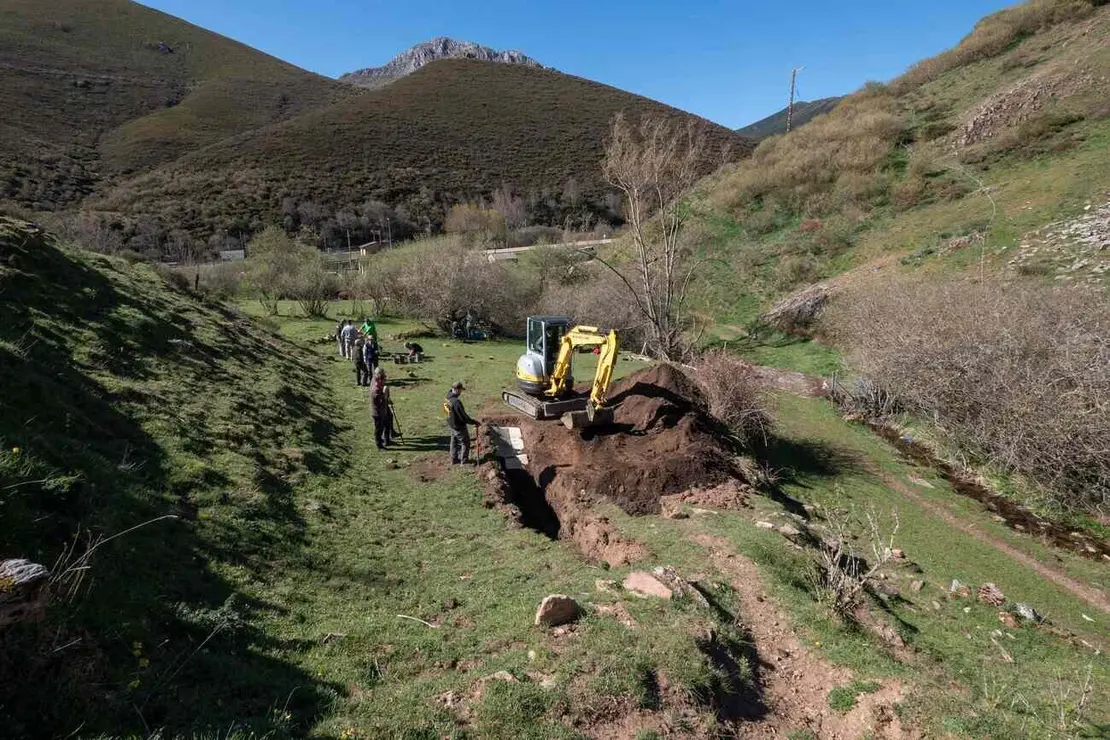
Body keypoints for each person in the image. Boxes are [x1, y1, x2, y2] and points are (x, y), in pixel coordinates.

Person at [444, 381, 479, 464]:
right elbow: (464, 417)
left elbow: (445, 412)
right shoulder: (456, 402)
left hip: (451, 425)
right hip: (459, 426)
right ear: (456, 389)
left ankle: (453, 459)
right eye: (460, 390)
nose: (460, 392)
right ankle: (464, 461)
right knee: (465, 443)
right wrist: (474, 422)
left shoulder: (446, 398)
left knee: (454, 442)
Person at [369, 368, 391, 449]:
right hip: (378, 413)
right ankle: (379, 445)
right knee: (379, 429)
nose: (384, 380)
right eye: (383, 379)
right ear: (379, 379)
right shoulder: (376, 390)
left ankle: (385, 440)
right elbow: (380, 403)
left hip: (382, 411)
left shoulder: (380, 386)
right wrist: (385, 395)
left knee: (386, 425)